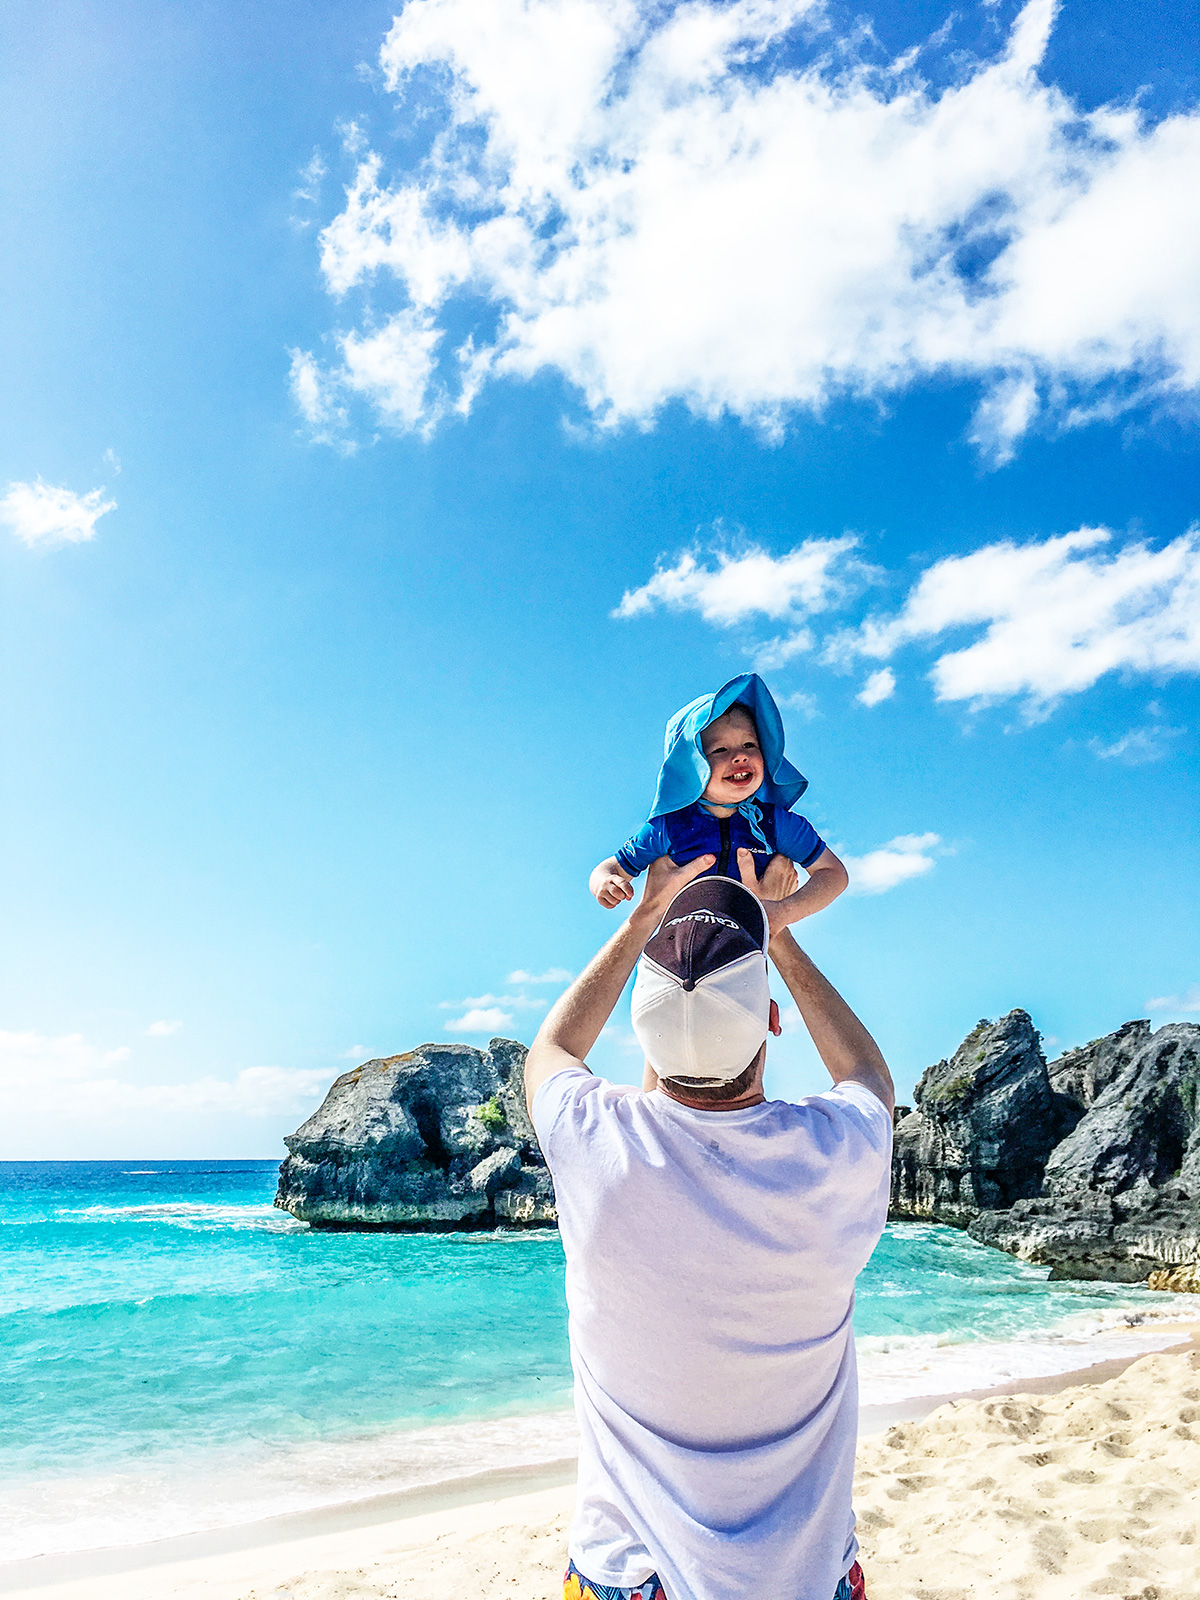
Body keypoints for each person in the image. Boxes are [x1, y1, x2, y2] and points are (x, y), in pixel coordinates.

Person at [526, 848, 894, 1600]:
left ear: (641, 1027)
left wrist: (640, 922)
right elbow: (867, 1078)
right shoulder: (833, 1154)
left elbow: (553, 1050)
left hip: (631, 1577)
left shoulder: (595, 1145)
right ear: (770, 1019)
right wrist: (779, 932)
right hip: (804, 1577)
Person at [589, 673, 848, 923]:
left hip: (745, 955)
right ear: (689, 768)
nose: (740, 756)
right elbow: (610, 867)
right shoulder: (668, 828)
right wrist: (606, 881)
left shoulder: (777, 824)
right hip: (674, 954)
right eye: (720, 749)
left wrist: (783, 911)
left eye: (750, 745)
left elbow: (834, 874)